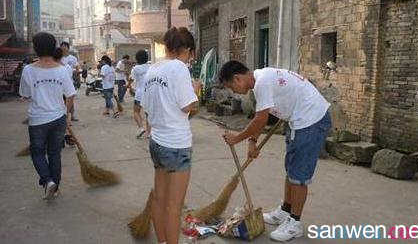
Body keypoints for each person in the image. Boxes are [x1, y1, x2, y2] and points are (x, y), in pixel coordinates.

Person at [219, 60, 332, 242]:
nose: (234, 92)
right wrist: (252, 142)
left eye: (232, 87)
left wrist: (237, 138)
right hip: (298, 120)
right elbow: (264, 114)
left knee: (299, 176)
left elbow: (260, 119)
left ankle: (294, 223)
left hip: (311, 120)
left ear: (237, 78)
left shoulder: (262, 81)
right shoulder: (260, 81)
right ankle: (286, 210)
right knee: (291, 170)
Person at [142, 27, 201, 244]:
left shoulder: (152, 70)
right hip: (176, 144)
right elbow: (189, 107)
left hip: (156, 141)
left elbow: (146, 107)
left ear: (167, 46)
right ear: (187, 50)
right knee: (174, 206)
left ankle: (163, 241)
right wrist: (196, 91)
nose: (189, 59)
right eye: (190, 53)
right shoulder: (179, 68)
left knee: (159, 199)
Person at [19, 32, 76, 200]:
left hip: (37, 119)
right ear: (53, 48)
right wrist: (66, 115)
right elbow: (71, 95)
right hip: (58, 118)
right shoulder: (62, 70)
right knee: (54, 153)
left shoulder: (28, 70)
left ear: (35, 48)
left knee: (37, 153)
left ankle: (47, 180)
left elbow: (25, 94)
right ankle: (55, 187)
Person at [131, 50, 150, 138]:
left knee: (136, 111)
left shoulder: (136, 68)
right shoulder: (151, 67)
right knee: (148, 114)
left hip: (139, 94)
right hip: (149, 93)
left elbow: (132, 80)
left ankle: (141, 128)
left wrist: (129, 86)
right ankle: (149, 133)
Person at [60, 41, 80, 121]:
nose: (63, 48)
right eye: (62, 46)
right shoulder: (58, 58)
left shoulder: (73, 58)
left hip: (70, 81)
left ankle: (72, 115)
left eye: (65, 46)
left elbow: (77, 68)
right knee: (62, 100)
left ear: (68, 48)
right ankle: (63, 116)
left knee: (70, 99)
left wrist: (77, 75)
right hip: (60, 83)